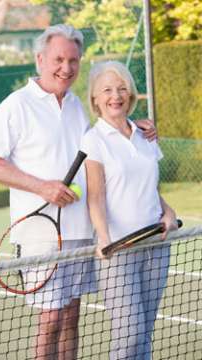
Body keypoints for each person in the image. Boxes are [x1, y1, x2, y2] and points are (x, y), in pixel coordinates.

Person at [0, 24, 157, 360]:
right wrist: (42, 186)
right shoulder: (15, 106)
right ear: (40, 59)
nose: (66, 68)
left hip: (82, 233)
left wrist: (139, 125)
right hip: (40, 236)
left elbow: (108, 134)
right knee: (51, 319)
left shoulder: (78, 105)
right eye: (58, 59)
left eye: (73, 60)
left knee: (72, 318)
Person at [81, 60, 178, 360]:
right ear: (95, 98)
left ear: (131, 94)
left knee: (144, 334)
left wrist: (168, 212)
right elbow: (95, 197)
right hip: (118, 251)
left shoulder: (144, 134)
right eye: (107, 89)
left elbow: (149, 186)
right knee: (130, 334)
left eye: (122, 88)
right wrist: (104, 238)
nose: (116, 95)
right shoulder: (93, 140)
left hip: (156, 245)